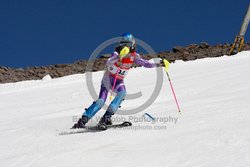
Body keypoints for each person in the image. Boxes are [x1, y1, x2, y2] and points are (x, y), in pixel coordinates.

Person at [72, 33, 164, 129]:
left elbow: (146, 64)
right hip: (108, 80)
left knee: (122, 93)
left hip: (119, 81)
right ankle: (82, 121)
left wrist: (158, 64)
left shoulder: (134, 56)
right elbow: (109, 62)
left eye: (127, 44)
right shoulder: (116, 54)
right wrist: (119, 57)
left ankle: (106, 118)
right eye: (123, 44)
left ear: (132, 44)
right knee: (101, 101)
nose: (125, 47)